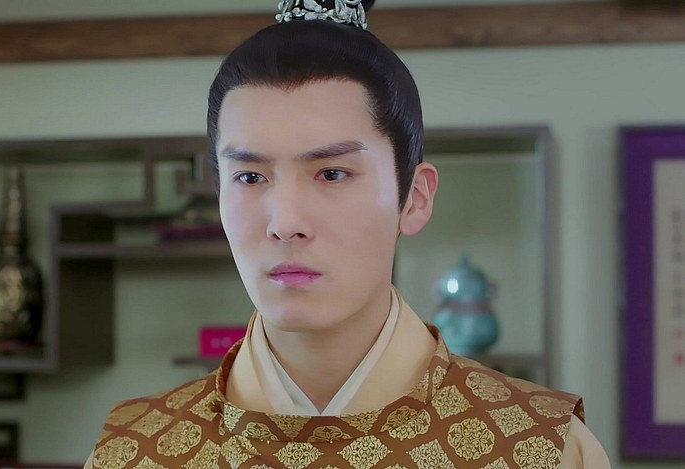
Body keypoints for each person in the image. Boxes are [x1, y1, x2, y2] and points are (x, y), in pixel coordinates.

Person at [85, 0, 610, 467]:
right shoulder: (132, 453)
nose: (285, 223)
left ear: (415, 198)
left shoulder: (542, 448)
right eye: (250, 177)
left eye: (332, 174)